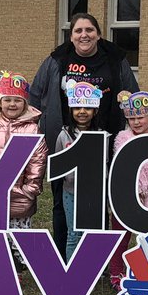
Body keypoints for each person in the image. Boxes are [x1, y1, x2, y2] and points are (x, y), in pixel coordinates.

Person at [30, 12, 138, 255]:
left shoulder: (115, 58)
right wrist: (37, 127)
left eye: (89, 30)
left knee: (99, 199)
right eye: (78, 31)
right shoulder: (57, 59)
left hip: (105, 139)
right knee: (62, 200)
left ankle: (94, 257)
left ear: (98, 34)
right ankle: (62, 254)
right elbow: (35, 95)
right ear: (71, 36)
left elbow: (131, 95)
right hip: (63, 140)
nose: (84, 35)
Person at [0, 71, 47, 267]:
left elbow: (38, 161)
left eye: (17, 100)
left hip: (21, 194)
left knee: (19, 238)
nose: (12, 104)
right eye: (7, 99)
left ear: (25, 103)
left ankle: (16, 271)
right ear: (0, 102)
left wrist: (30, 189)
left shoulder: (32, 129)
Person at [108, 90, 148, 289]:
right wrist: (134, 189)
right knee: (120, 237)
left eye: (140, 117)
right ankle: (116, 272)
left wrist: (141, 189)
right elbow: (124, 164)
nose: (136, 122)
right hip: (124, 198)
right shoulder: (122, 138)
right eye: (131, 118)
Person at [55, 78, 102, 261]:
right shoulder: (63, 134)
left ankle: (90, 269)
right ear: (71, 110)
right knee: (73, 234)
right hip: (71, 193)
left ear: (95, 110)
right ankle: (72, 272)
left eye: (87, 108)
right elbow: (57, 163)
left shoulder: (101, 135)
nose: (82, 112)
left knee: (91, 235)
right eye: (77, 108)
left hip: (93, 194)